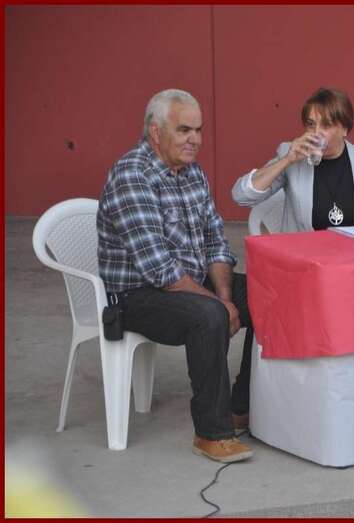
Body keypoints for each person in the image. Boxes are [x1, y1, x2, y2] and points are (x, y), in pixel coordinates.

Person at [97, 89, 254, 463]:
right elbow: (160, 270)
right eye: (184, 130)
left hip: (187, 282)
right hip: (136, 295)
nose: (195, 139)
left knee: (267, 294)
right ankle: (212, 434)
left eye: (198, 130)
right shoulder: (132, 175)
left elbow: (216, 242)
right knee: (208, 315)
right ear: (156, 132)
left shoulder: (192, 173)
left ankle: (241, 405)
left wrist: (226, 296)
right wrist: (219, 305)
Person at [232, 87, 354, 232]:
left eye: (326, 125)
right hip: (303, 253)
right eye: (311, 124)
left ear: (345, 128)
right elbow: (241, 196)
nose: (316, 133)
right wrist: (287, 160)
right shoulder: (291, 155)